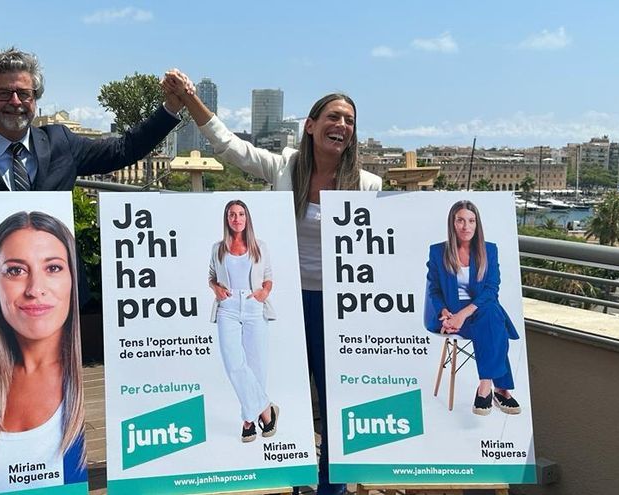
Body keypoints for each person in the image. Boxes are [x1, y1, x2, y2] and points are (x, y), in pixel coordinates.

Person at [164, 70, 381, 495]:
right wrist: (189, 100)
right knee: (291, 390)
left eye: (350, 121)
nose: (342, 125)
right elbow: (229, 146)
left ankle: (331, 487)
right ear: (311, 126)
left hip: (338, 307)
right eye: (333, 117)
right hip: (289, 303)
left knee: (337, 400)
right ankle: (297, 478)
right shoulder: (285, 168)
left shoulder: (368, 185)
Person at [0, 211, 85, 494]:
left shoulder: (105, 385)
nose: (35, 289)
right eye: (15, 271)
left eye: (53, 268)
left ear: (74, 280)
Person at [0, 47, 183, 191]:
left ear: (35, 98)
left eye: (24, 94)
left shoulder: (61, 143)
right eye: (3, 93)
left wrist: (170, 107)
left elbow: (123, 150)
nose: (15, 102)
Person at [424, 200, 522, 416]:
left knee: (490, 313)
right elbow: (434, 290)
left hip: (478, 308)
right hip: (452, 312)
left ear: (477, 224)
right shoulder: (438, 251)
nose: (466, 226)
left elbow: (491, 289)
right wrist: (444, 313)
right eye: (460, 220)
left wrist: (463, 315)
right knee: (494, 325)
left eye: (471, 221)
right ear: (452, 223)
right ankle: (501, 390)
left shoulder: (489, 250)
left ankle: (484, 386)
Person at [209, 199, 278, 443]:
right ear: (227, 219)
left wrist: (264, 292)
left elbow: (268, 276)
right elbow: (211, 275)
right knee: (233, 363)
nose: (236, 219)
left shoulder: (260, 246)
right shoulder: (218, 248)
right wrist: (215, 288)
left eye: (240, 214)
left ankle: (248, 420)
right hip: (227, 307)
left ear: (247, 218)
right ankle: (265, 409)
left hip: (253, 306)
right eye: (232, 215)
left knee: (256, 365)